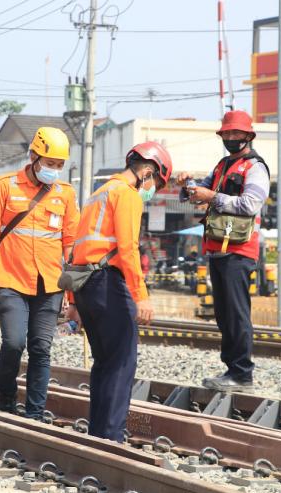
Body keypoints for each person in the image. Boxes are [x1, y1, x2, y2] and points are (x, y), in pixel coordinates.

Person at [66, 141, 172, 442]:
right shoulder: (126, 194)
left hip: (86, 285)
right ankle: (111, 438)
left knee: (104, 362)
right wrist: (141, 295)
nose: (152, 190)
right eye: (156, 183)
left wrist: (73, 300)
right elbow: (127, 248)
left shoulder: (98, 194)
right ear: (148, 171)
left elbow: (76, 249)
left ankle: (98, 435)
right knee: (122, 362)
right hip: (108, 283)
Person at [0, 127, 79, 418]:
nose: (55, 170)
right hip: (10, 280)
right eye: (50, 163)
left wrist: (72, 293)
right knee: (14, 343)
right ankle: (7, 399)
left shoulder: (66, 195)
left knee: (41, 348)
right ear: (34, 156)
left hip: (50, 284)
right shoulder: (4, 186)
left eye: (59, 165)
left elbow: (71, 246)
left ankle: (35, 412)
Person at [177, 110, 270, 392]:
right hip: (218, 249)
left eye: (236, 134)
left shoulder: (255, 168)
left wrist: (212, 197)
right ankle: (232, 370)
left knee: (236, 313)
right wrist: (187, 186)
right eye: (227, 134)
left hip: (238, 251)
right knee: (224, 314)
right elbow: (198, 195)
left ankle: (242, 374)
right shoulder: (222, 166)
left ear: (248, 136)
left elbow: (251, 204)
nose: (230, 138)